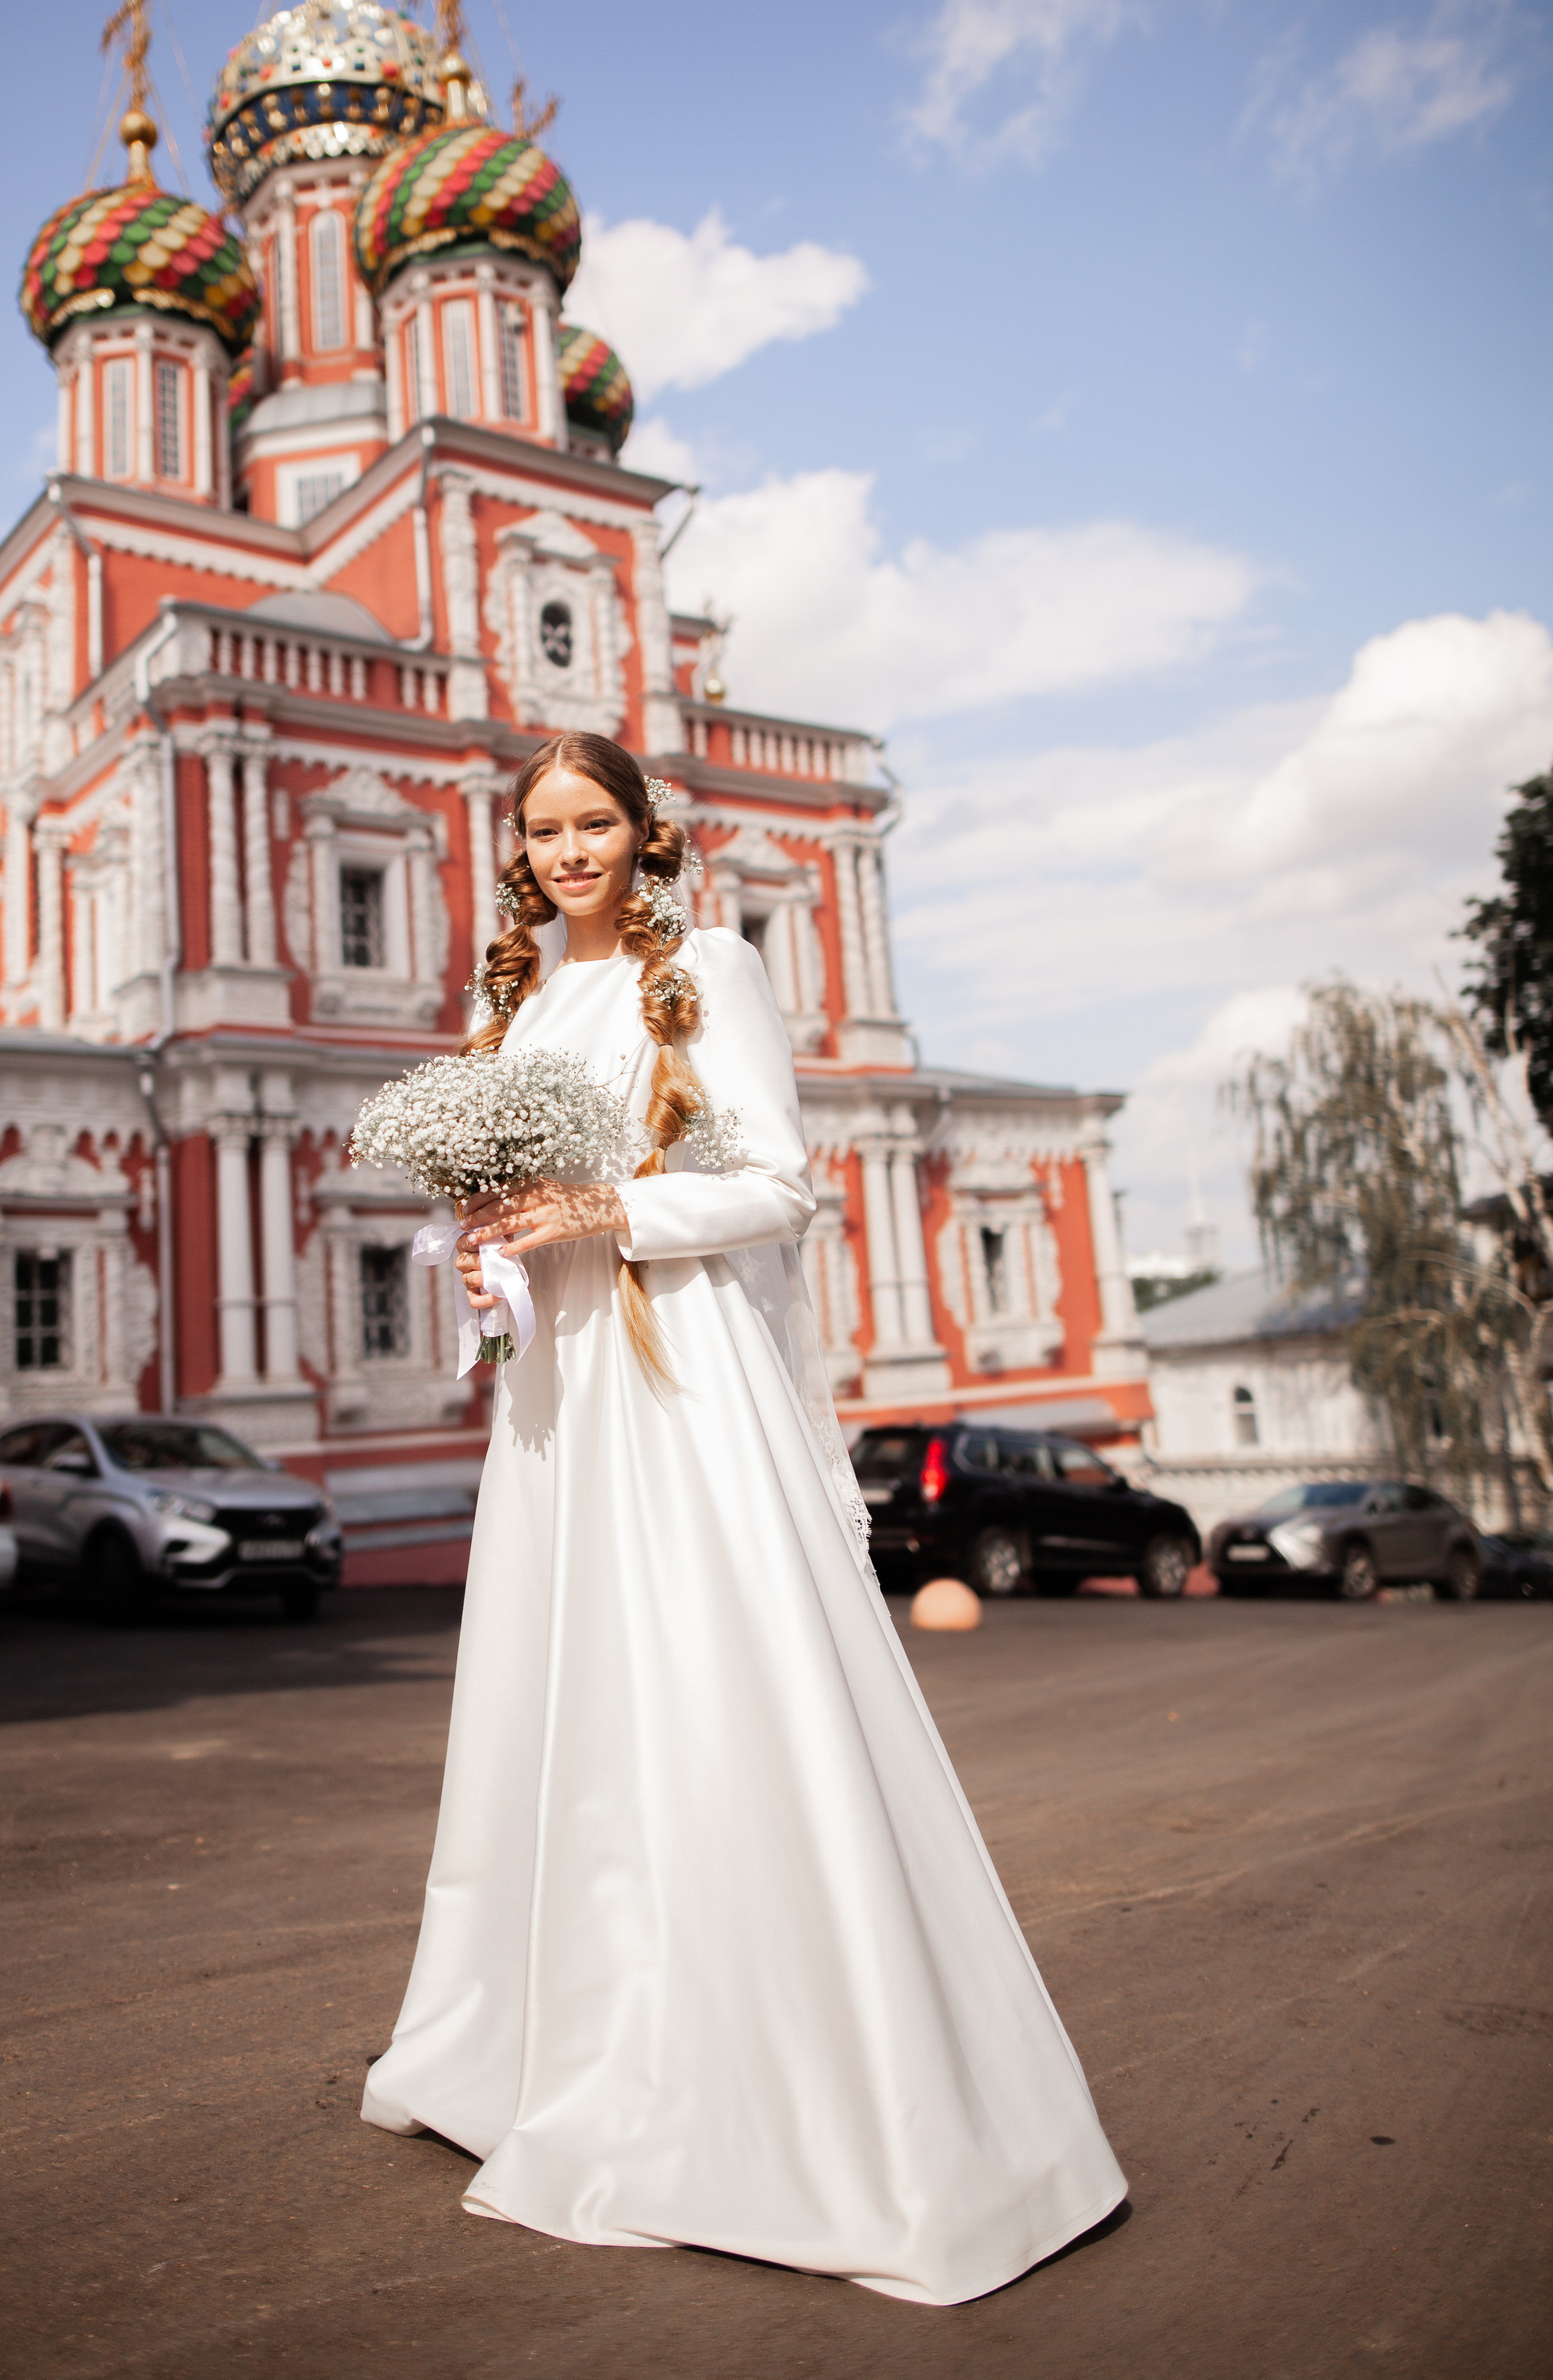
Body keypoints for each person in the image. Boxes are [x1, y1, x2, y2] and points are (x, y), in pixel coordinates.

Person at [362, 730, 1127, 2307]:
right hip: (556, 1394)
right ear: (514, 850)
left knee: (709, 1693)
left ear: (647, 834)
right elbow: (515, 1201)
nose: (568, 849)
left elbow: (779, 1184)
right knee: (557, 1711)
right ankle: (536, 2051)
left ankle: (786, 2095)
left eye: (593, 823)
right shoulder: (504, 1006)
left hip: (675, 1377)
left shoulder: (709, 961)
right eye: (541, 830)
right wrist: (494, 1253)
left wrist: (606, 1210)